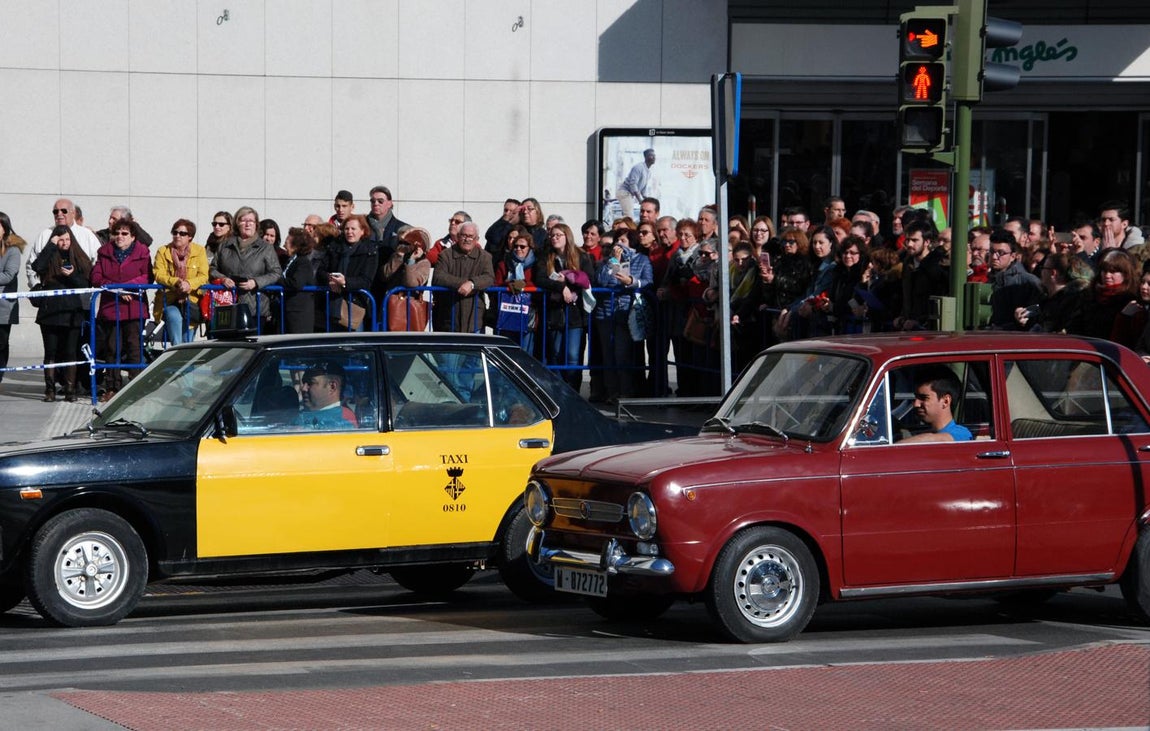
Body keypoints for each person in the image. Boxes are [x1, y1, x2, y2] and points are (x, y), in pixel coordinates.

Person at [90, 218, 153, 400]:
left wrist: (128, 289)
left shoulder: (143, 252)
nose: (120, 236)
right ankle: (113, 387)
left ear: (133, 237)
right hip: (111, 307)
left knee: (134, 347)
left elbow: (146, 277)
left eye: (124, 233)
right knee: (112, 348)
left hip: (134, 307)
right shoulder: (104, 252)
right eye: (117, 233)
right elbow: (96, 277)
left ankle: (135, 386)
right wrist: (117, 289)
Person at [31, 225, 93, 402]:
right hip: (50, 312)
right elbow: (37, 267)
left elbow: (86, 284)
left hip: (72, 312)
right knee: (50, 352)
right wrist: (50, 246)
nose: (64, 243)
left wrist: (72, 275)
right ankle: (49, 389)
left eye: (67, 239)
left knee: (70, 352)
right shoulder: (50, 256)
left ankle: (70, 390)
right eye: (60, 240)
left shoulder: (79, 258)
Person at [593, 230, 653, 402]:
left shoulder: (641, 260)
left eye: (623, 240)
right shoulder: (608, 260)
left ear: (631, 242)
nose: (618, 244)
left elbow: (648, 282)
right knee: (608, 355)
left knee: (622, 355)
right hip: (606, 313)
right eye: (616, 240)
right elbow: (602, 281)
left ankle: (625, 392)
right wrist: (613, 261)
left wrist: (632, 282)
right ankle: (612, 392)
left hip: (626, 312)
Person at [536, 223, 594, 391]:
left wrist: (568, 281)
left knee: (573, 356)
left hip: (575, 314)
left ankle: (573, 390)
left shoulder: (581, 256)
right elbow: (540, 278)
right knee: (555, 353)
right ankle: (560, 391)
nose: (554, 238)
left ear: (567, 237)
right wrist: (561, 287)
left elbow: (590, 278)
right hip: (554, 313)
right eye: (552, 235)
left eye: (558, 235)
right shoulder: (546, 257)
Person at [210, 206, 283, 325]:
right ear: (237, 223)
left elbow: (276, 273)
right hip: (228, 304)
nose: (247, 224)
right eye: (243, 220)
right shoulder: (225, 245)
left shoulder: (265, 248)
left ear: (256, 225)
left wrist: (256, 282)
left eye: (251, 221)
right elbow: (213, 268)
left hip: (255, 307)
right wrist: (223, 279)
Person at [1068, 248, 1146, 349]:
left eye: (1113, 271)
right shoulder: (1089, 295)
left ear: (1126, 274)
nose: (1107, 275)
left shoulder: (1131, 300)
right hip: (1085, 349)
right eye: (1104, 270)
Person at [316, 214, 378, 331]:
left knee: (352, 345)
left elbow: (366, 280)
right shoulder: (335, 247)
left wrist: (345, 282)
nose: (349, 232)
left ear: (362, 231)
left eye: (353, 229)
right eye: (346, 229)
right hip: (332, 303)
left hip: (354, 305)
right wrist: (331, 280)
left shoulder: (370, 251)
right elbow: (321, 271)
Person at [153, 219, 209, 344]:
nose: (177, 236)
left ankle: (185, 359)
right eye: (175, 232)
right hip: (169, 298)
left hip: (191, 301)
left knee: (187, 340)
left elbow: (203, 276)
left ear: (190, 237)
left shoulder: (199, 251)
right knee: (173, 317)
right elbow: (158, 274)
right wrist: (176, 282)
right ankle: (175, 352)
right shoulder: (163, 251)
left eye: (182, 233)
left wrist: (189, 284)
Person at [431, 221, 494, 333]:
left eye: (470, 236)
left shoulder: (485, 257)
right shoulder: (446, 255)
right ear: (458, 237)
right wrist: (462, 283)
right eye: (463, 235)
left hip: (474, 319)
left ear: (477, 239)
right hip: (448, 316)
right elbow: (438, 277)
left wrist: (472, 283)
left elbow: (489, 277)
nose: (467, 239)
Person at [26, 198, 101, 288]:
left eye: (64, 211)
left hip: (80, 293)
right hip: (50, 293)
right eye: (55, 211)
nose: (59, 214)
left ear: (73, 213)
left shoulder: (86, 235)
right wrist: (36, 286)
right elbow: (32, 265)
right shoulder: (45, 235)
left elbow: (98, 262)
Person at [379, 226, 432, 331]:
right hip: (390, 307)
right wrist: (399, 257)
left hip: (409, 311)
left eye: (407, 243)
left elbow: (411, 283)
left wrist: (411, 261)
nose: (403, 246)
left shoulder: (424, 263)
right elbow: (384, 275)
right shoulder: (396, 256)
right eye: (400, 242)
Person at [901, 367, 972, 443]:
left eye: (924, 398)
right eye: (916, 397)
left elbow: (936, 439)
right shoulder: (927, 432)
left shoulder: (961, 434)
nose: (916, 404)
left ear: (945, 401)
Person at [493, 231, 537, 351]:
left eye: (522, 246)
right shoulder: (504, 263)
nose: (518, 249)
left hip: (528, 312)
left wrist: (523, 285)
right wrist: (509, 284)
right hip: (507, 312)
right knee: (506, 350)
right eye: (516, 246)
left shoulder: (536, 264)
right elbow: (496, 284)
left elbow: (539, 282)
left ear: (529, 248)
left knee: (525, 351)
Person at [0, 212, 25, 385]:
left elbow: (9, 275)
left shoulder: (13, 249)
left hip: (3, 307)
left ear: (5, 228)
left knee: (1, 344)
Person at [296, 362, 357, 430]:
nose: (303, 388)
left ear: (332, 387)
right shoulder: (300, 413)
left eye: (310, 383)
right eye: (304, 383)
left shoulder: (343, 421)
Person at [280, 227, 318, 334]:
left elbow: (297, 283)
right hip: (289, 310)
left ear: (295, 245)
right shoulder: (291, 260)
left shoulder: (303, 262)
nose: (284, 245)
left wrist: (277, 280)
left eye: (287, 242)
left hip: (299, 313)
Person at [617, 149, 656, 220]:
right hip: (625, 192)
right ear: (646, 157)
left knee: (628, 216)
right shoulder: (638, 167)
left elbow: (643, 189)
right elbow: (633, 184)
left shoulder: (648, 172)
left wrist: (647, 200)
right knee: (629, 217)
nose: (654, 157)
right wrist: (640, 200)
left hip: (629, 195)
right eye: (651, 155)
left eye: (654, 155)